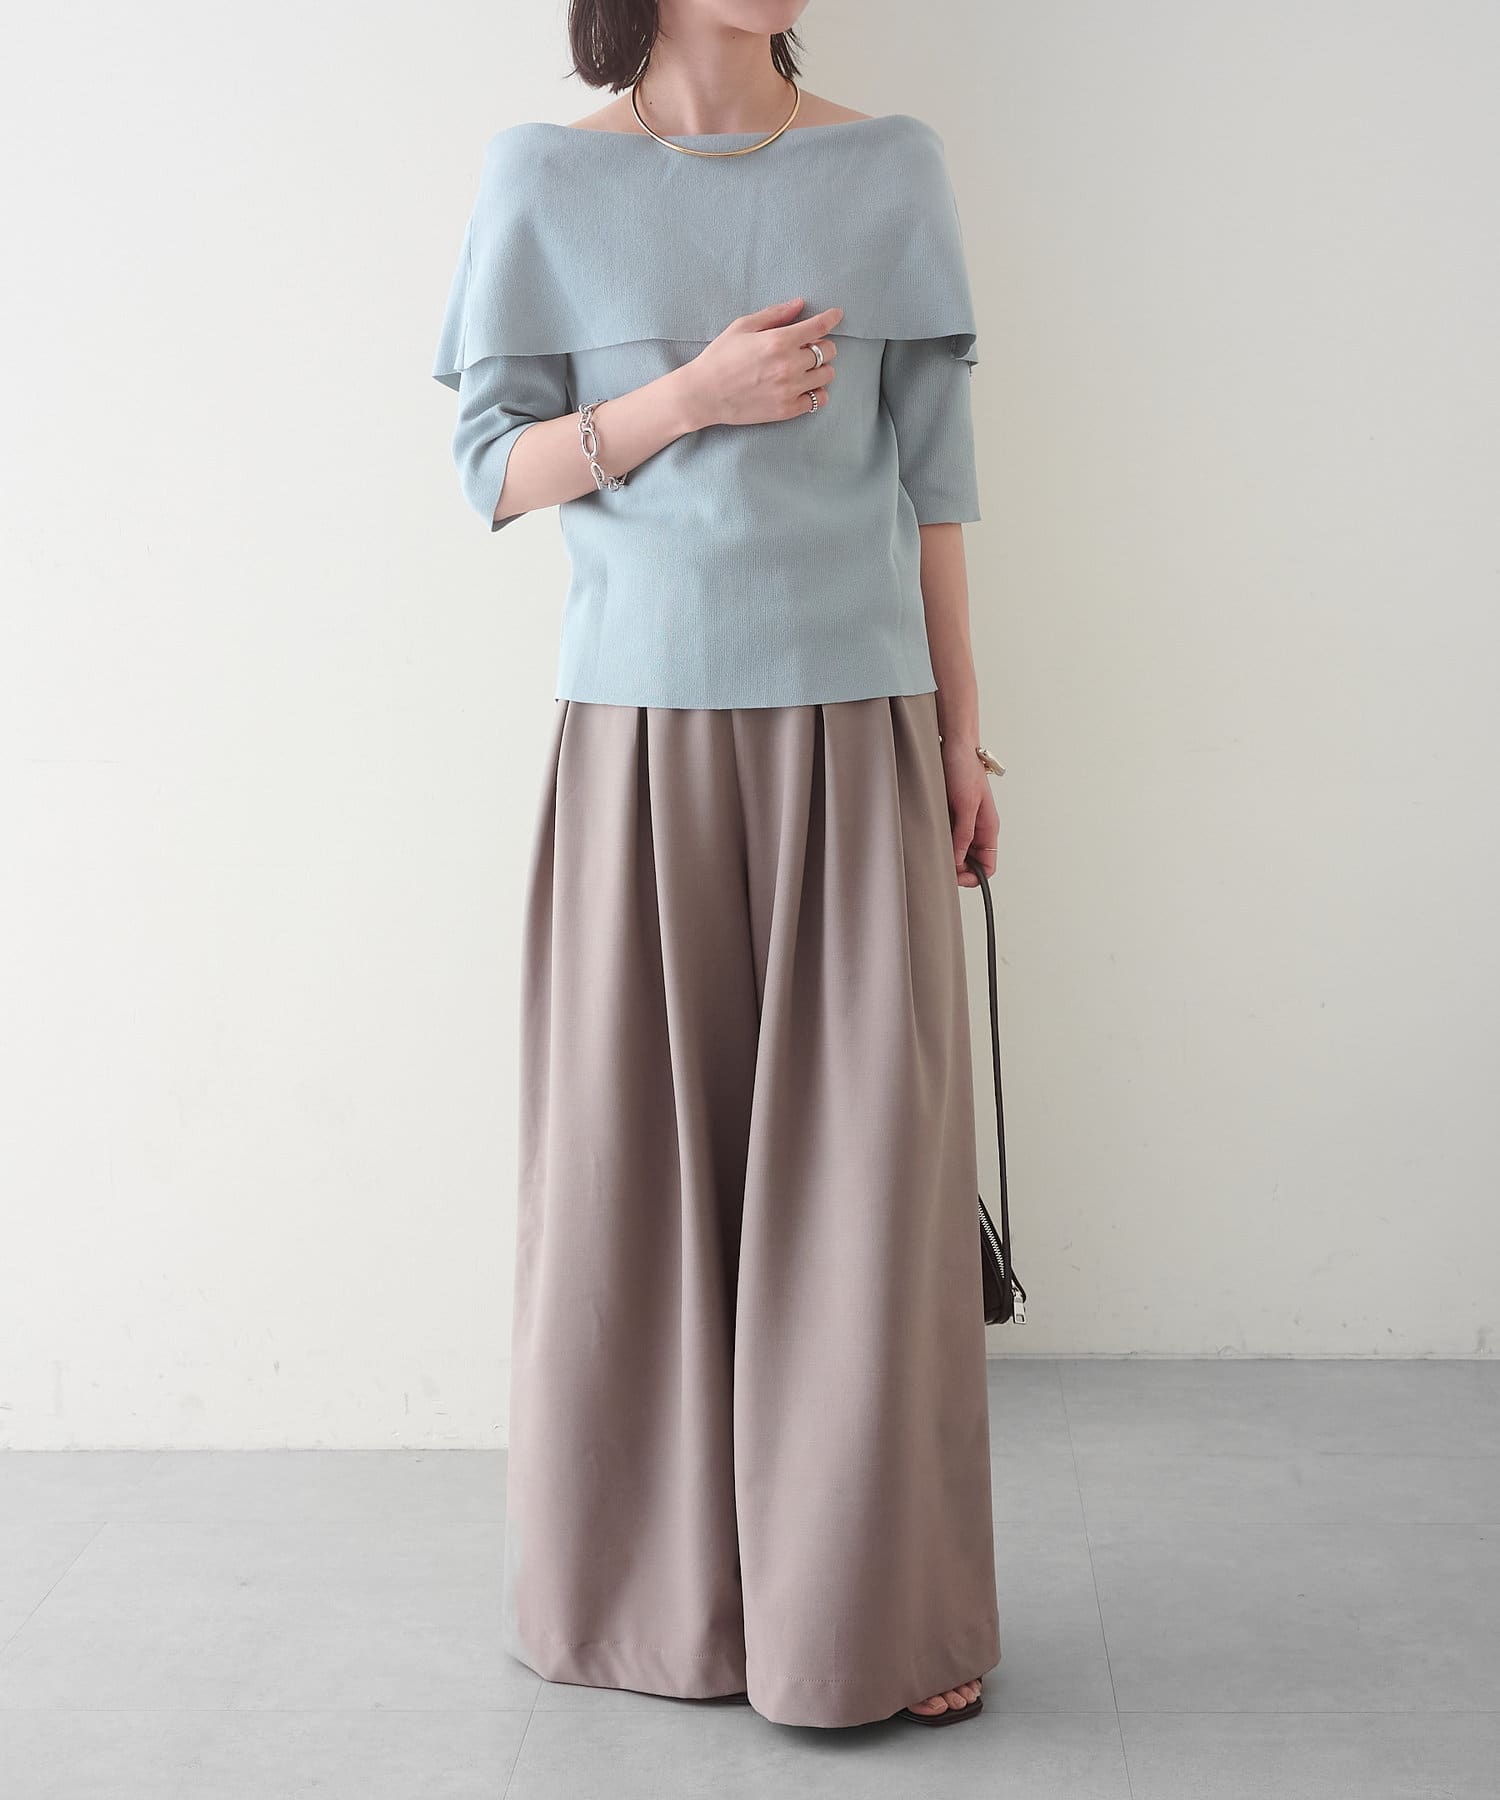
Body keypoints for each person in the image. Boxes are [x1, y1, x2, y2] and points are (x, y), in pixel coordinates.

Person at [431, 0, 1004, 1732]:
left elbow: (935, 489)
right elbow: (492, 470)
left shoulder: (889, 166)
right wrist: (690, 396)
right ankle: (647, 1609)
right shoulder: (543, 180)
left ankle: (859, 1623)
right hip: (638, 738)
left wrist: (961, 737)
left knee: (865, 1195)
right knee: (634, 1185)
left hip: (857, 722)